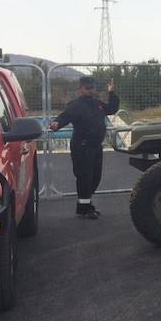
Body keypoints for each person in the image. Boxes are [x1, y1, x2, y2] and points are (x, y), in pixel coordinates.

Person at [49, 76, 119, 219]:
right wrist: (57, 123)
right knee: (84, 177)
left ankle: (85, 205)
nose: (90, 90)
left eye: (92, 88)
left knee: (95, 177)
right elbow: (65, 116)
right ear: (80, 89)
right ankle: (85, 208)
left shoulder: (97, 103)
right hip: (82, 146)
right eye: (87, 88)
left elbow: (112, 109)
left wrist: (111, 93)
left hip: (95, 146)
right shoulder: (76, 105)